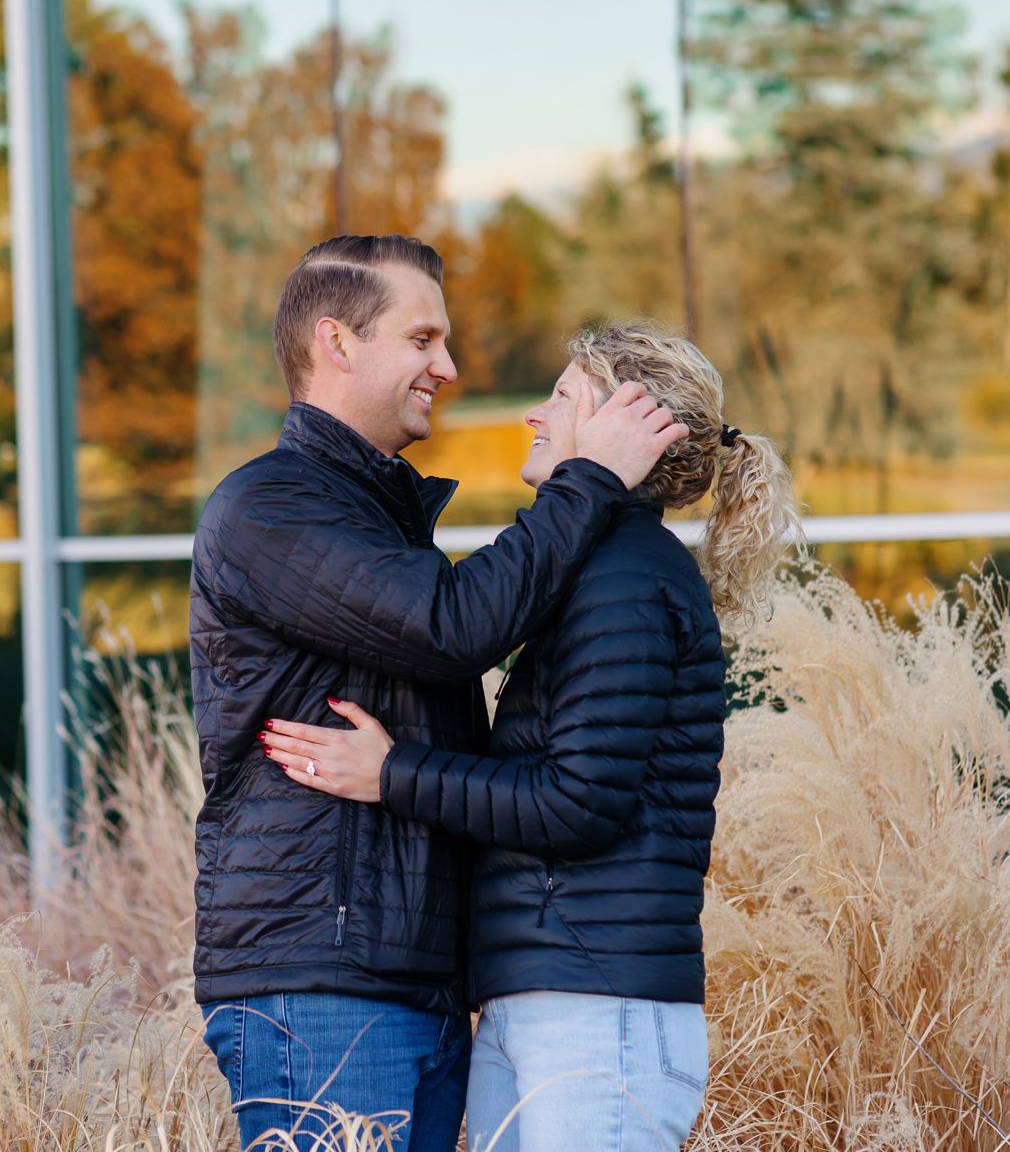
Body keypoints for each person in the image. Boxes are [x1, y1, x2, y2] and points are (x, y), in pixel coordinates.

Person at [191, 237, 688, 1152]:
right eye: (423, 339)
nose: (448, 367)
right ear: (337, 342)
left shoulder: (381, 519)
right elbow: (454, 624)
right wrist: (590, 477)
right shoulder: (272, 507)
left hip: (414, 984)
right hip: (323, 981)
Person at [261, 321, 801, 1151]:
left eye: (561, 395)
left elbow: (578, 802)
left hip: (598, 1014)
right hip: (549, 999)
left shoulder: (626, 576)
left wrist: (392, 772)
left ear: (624, 420)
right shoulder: (594, 567)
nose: (534, 414)